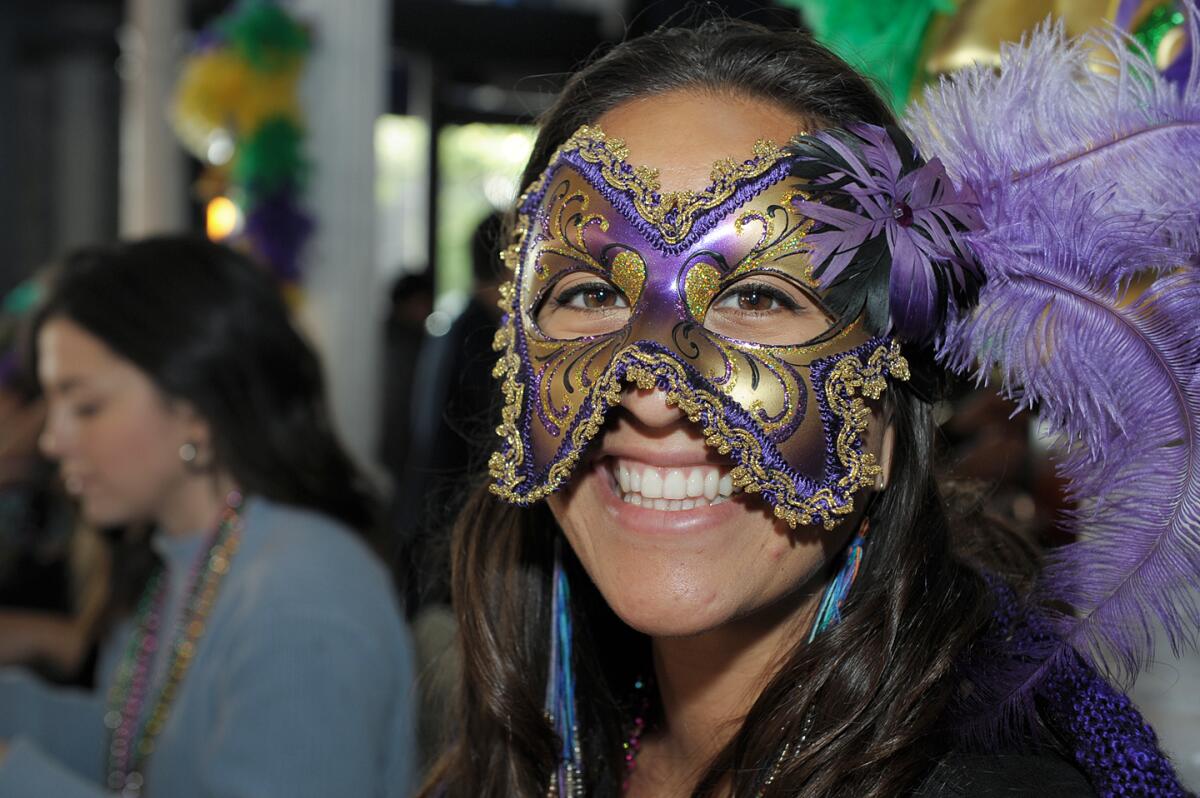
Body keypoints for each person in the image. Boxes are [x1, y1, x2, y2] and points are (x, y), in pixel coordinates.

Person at [421, 14, 1198, 798]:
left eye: (756, 296)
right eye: (590, 291)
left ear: (886, 403)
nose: (652, 395)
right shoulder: (534, 749)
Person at [0, 236, 415, 797]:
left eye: (86, 406)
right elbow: (134, 754)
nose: (52, 440)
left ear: (194, 408)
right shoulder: (185, 557)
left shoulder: (302, 593)